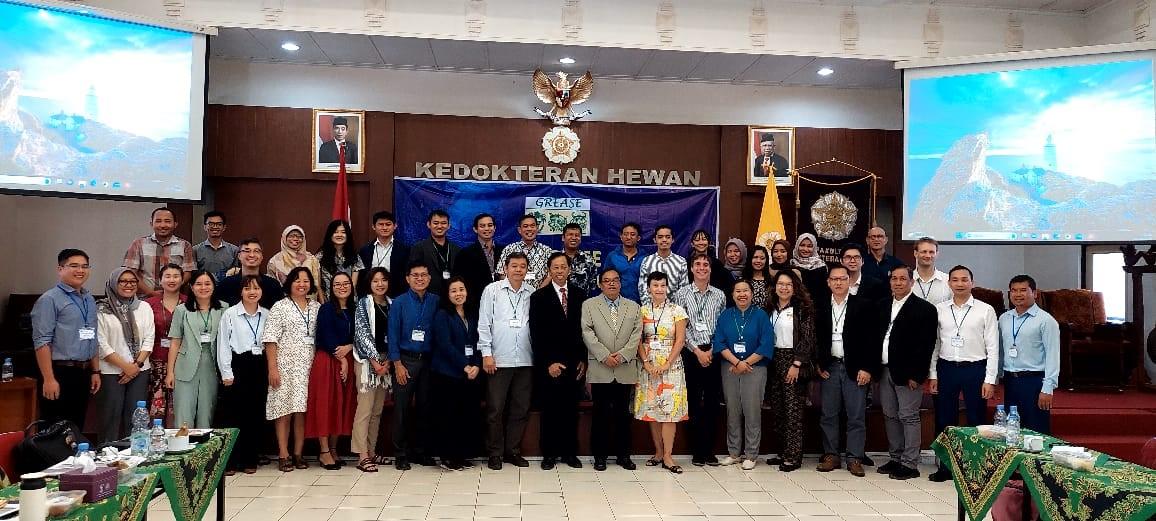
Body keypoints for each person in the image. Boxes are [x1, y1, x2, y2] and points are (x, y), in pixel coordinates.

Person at [927, 265, 999, 482]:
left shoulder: (985, 310)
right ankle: (945, 467)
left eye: (964, 279)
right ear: (949, 283)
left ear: (972, 283)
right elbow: (935, 344)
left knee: (976, 419)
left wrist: (990, 379)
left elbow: (993, 347)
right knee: (944, 419)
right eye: (955, 280)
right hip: (946, 368)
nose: (959, 284)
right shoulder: (939, 309)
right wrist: (933, 374)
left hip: (975, 369)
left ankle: (975, 468)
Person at [875, 265, 937, 480]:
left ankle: (910, 464)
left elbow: (925, 345)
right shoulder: (882, 305)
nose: (898, 282)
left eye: (903, 279)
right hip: (884, 370)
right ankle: (896, 458)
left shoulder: (924, 309)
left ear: (912, 282)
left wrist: (917, 375)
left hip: (908, 373)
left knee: (908, 416)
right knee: (890, 415)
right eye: (894, 279)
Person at [815, 265, 877, 477]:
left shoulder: (864, 305)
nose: (839, 283)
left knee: (856, 415)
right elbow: (814, 338)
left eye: (843, 279)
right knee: (828, 414)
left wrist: (867, 368)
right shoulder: (820, 305)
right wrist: (817, 364)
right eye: (835, 279)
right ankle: (831, 455)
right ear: (828, 282)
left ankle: (854, 457)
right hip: (829, 367)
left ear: (849, 281)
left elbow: (872, 340)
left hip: (855, 368)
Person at [529, 252, 587, 470]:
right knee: (550, 410)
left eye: (563, 267)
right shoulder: (538, 297)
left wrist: (583, 359)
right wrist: (547, 363)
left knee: (571, 410)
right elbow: (536, 334)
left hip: (574, 364)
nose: (560, 271)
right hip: (550, 365)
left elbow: (585, 331)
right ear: (549, 270)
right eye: (555, 267)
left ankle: (569, 453)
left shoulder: (581, 296)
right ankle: (549, 455)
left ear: (569, 270)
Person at [477, 253, 535, 470]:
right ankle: (495, 453)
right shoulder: (492, 290)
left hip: (526, 359)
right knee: (495, 409)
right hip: (498, 359)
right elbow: (484, 323)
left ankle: (512, 451)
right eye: (514, 266)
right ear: (505, 268)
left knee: (520, 409)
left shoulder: (532, 292)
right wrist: (486, 353)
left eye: (522, 266)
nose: (518, 270)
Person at [582, 268, 642, 471]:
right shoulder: (589, 305)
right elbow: (587, 332)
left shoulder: (633, 307)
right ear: (600, 284)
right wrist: (604, 355)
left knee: (623, 415)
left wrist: (624, 355)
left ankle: (623, 455)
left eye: (615, 280)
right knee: (600, 416)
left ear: (620, 283)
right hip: (601, 367)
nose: (611, 284)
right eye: (607, 281)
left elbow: (637, 334)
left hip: (625, 368)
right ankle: (600, 456)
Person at [262, 267, 321, 472]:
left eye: (306, 280)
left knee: (301, 412)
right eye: (297, 280)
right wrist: (272, 368)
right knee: (284, 411)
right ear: (289, 283)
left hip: (309, 367)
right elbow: (270, 340)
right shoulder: (280, 307)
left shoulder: (316, 307)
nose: (302, 284)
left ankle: (298, 453)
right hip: (285, 366)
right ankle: (283, 454)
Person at [712, 279, 775, 470]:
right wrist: (737, 362)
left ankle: (751, 454)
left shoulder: (761, 315)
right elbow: (719, 342)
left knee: (752, 411)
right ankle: (733, 452)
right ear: (732, 295)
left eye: (745, 291)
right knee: (733, 409)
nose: (742, 294)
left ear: (751, 293)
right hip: (730, 367)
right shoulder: (725, 315)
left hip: (755, 368)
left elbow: (766, 344)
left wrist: (745, 363)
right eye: (738, 291)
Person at [672, 253, 726, 466]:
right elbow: (681, 328)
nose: (702, 267)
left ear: (711, 269)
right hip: (691, 352)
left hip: (713, 353)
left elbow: (722, 326)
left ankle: (709, 450)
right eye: (698, 264)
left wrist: (711, 350)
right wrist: (697, 351)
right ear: (691, 269)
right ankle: (696, 450)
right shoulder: (681, 294)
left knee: (712, 403)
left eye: (706, 264)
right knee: (693, 402)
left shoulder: (720, 295)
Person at [634, 272, 689, 474]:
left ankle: (668, 455)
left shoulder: (677, 311)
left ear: (667, 287)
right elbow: (637, 340)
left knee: (669, 412)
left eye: (662, 285)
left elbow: (681, 340)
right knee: (653, 410)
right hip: (648, 365)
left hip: (671, 365)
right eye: (655, 285)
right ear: (648, 288)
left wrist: (667, 363)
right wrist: (646, 363)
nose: (659, 289)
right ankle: (658, 452)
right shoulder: (641, 311)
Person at [387, 262, 440, 470]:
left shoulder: (436, 301)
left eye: (424, 275)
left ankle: (421, 452)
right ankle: (400, 453)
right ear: (407, 278)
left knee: (425, 408)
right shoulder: (398, 303)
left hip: (428, 361)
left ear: (429, 278)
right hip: (405, 361)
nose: (420, 279)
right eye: (415, 275)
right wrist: (397, 364)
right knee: (401, 409)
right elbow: (392, 335)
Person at [215, 275, 269, 474]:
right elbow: (223, 345)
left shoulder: (267, 315)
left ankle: (249, 459)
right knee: (233, 415)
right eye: (247, 289)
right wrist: (226, 372)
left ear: (261, 292)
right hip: (237, 366)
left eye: (256, 288)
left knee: (254, 415)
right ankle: (230, 461)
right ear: (241, 292)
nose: (252, 292)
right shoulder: (230, 314)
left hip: (259, 366)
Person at [95, 268, 154, 444]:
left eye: (133, 281)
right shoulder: (101, 309)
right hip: (111, 371)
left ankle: (135, 456)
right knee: (109, 417)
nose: (129, 285)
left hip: (140, 370)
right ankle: (107, 457)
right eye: (123, 281)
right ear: (114, 283)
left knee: (136, 418)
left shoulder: (144, 307)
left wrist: (136, 365)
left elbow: (150, 338)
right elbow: (100, 343)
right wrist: (126, 367)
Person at [430, 277, 483, 470]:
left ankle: (461, 455)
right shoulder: (442, 315)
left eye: (461, 289)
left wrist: (476, 364)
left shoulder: (472, 314)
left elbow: (479, 341)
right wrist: (465, 366)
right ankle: (447, 457)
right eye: (453, 291)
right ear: (447, 294)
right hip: (447, 374)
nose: (458, 293)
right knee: (447, 417)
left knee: (465, 416)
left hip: (469, 374)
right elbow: (445, 345)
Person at [765, 270, 815, 472]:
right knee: (778, 410)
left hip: (793, 361)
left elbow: (808, 339)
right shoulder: (769, 308)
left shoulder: (802, 309)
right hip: (773, 360)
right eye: (780, 284)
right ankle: (783, 452)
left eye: (788, 284)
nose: (784, 288)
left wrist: (796, 364)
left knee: (793, 411)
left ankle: (793, 457)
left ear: (795, 288)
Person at [999, 274, 1060, 434]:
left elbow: (1053, 356)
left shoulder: (1046, 321)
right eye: (1014, 290)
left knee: (1036, 431)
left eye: (1023, 290)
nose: (1018, 294)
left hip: (1034, 382)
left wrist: (1048, 388)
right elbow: (999, 350)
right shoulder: (1004, 318)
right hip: (1010, 381)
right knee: (1012, 430)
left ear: (1035, 293)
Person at [309, 272, 358, 471]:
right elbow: (325, 336)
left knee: (341, 405)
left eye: (346, 283)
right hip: (328, 361)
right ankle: (323, 451)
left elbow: (362, 335)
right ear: (332, 287)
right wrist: (342, 359)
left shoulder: (357, 309)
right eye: (337, 284)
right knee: (325, 405)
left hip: (349, 359)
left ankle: (334, 448)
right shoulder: (327, 309)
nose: (342, 287)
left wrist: (350, 348)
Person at [165, 270, 227, 428]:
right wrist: (170, 372)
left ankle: (203, 451)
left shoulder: (224, 309)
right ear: (191, 287)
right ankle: (183, 448)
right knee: (183, 414)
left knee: (206, 414)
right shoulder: (182, 310)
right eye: (198, 284)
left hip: (212, 367)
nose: (203, 287)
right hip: (185, 366)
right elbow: (175, 342)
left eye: (207, 284)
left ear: (214, 286)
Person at [351, 267, 394, 472]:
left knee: (377, 411)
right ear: (369, 283)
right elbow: (362, 334)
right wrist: (376, 361)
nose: (380, 284)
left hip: (386, 362)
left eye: (383, 280)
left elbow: (395, 334)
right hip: (368, 362)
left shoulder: (392, 304)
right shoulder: (363, 304)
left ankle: (371, 451)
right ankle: (361, 456)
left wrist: (389, 361)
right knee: (365, 410)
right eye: (375, 280)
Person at [123, 207, 195, 297]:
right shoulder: (138, 244)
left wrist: (172, 289)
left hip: (175, 299)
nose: (163, 225)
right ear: (151, 224)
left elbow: (187, 272)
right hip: (144, 299)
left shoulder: (185, 245)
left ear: (175, 224)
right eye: (158, 221)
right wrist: (149, 292)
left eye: (167, 221)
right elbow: (131, 272)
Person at [145, 264, 185, 423]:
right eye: (167, 276)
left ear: (182, 280)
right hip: (155, 361)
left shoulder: (189, 303)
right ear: (160, 280)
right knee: (156, 407)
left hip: (181, 362)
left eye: (176, 276)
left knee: (178, 407)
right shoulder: (148, 304)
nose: (172, 280)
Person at [453, 213, 502, 313]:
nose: (487, 228)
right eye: (482, 226)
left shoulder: (504, 250)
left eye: (490, 225)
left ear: (495, 227)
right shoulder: (465, 254)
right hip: (476, 306)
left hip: (501, 304)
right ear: (475, 229)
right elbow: (459, 281)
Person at [216, 238, 284, 309]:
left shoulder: (273, 285)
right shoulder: (226, 285)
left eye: (256, 251)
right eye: (247, 251)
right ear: (239, 256)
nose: (251, 255)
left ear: (262, 257)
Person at [408, 209, 461, 298]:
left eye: (443, 223)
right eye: (436, 223)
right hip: (427, 297)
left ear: (449, 226)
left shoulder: (457, 250)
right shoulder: (419, 248)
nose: (439, 226)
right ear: (429, 225)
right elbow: (413, 275)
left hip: (451, 297)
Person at [358, 211, 410, 298]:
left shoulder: (404, 250)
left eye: (388, 224)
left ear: (395, 226)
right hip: (370, 297)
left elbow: (406, 276)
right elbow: (361, 278)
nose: (384, 227)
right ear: (373, 227)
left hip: (396, 297)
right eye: (381, 224)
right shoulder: (365, 251)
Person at [498, 214, 554, 289]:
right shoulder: (509, 249)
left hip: (540, 296)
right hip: (514, 295)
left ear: (537, 228)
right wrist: (514, 290)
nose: (529, 229)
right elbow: (501, 273)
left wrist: (539, 293)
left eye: (532, 226)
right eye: (525, 226)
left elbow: (551, 275)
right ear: (519, 230)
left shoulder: (547, 251)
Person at [638, 225, 688, 306]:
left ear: (672, 240)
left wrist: (676, 310)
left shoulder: (681, 261)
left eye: (668, 237)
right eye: (660, 237)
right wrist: (650, 308)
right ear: (655, 240)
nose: (664, 240)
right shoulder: (647, 261)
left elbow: (683, 289)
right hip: (651, 311)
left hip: (674, 311)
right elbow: (642, 288)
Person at [317, 220, 364, 303]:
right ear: (330, 235)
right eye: (336, 232)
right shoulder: (320, 256)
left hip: (349, 302)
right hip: (328, 302)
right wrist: (323, 304)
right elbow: (318, 285)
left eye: (343, 232)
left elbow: (353, 284)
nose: (339, 235)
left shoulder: (355, 257)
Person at [601, 223, 646, 303]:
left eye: (632, 234)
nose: (629, 237)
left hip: (641, 303)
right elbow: (605, 280)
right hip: (616, 303)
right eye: (625, 234)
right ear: (621, 237)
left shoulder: (645, 257)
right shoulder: (612, 256)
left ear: (638, 238)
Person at [193, 211, 238, 283]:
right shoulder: (195, 250)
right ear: (205, 227)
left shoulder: (234, 250)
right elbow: (193, 274)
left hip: (226, 289)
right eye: (211, 224)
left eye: (219, 224)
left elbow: (236, 274)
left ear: (224, 227)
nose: (215, 227)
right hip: (204, 289)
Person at [687, 229, 734, 296]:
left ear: (709, 243)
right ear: (692, 244)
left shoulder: (717, 264)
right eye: (697, 240)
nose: (701, 242)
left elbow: (728, 286)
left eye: (704, 239)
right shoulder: (686, 263)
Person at [561, 223, 600, 297]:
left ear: (580, 238)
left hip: (583, 305)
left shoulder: (589, 260)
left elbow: (593, 287)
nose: (574, 238)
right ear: (563, 238)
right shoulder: (555, 259)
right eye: (570, 234)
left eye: (577, 235)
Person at [912, 237, 951, 305]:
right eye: (924, 252)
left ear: (937, 254)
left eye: (931, 252)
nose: (928, 255)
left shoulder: (947, 280)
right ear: (915, 253)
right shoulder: (906, 280)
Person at [791, 233, 829, 302]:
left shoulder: (821, 267)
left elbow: (825, 294)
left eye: (809, 246)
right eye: (802, 245)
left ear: (814, 248)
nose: (805, 249)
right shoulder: (791, 265)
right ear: (797, 246)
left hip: (816, 308)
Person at [742, 245, 773, 309]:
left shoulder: (772, 281)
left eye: (762, 258)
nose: (758, 261)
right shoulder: (742, 280)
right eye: (755, 257)